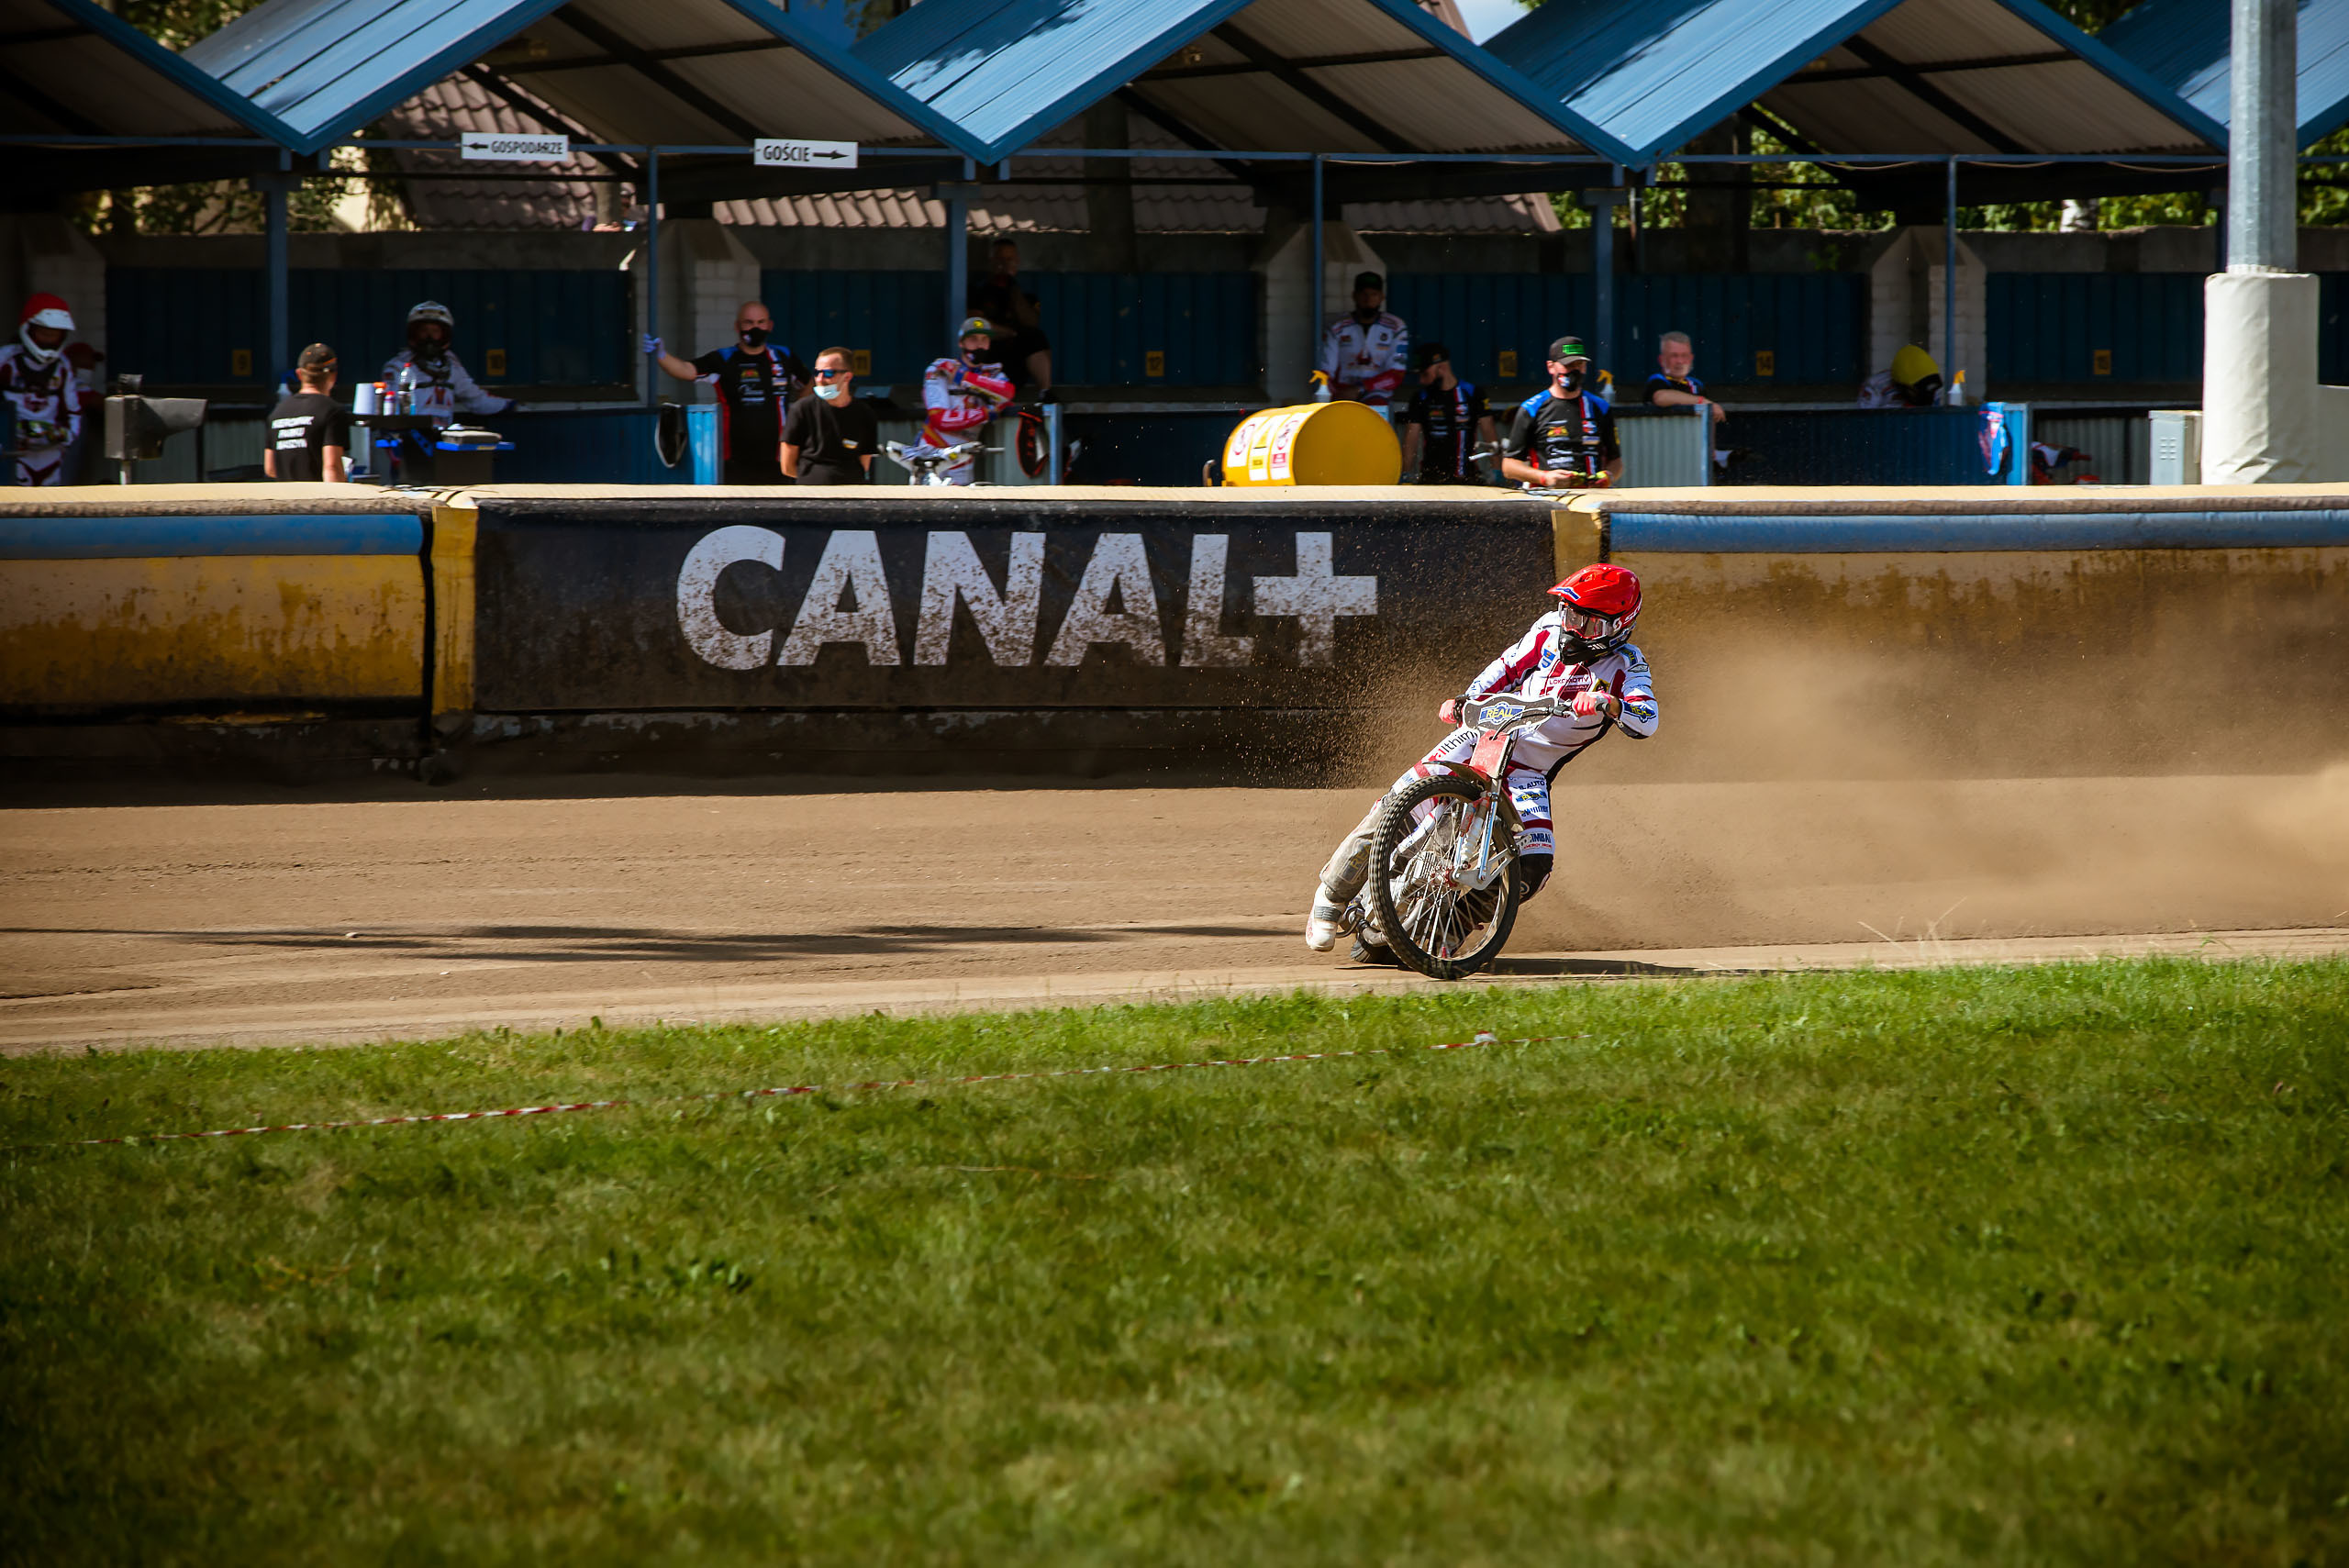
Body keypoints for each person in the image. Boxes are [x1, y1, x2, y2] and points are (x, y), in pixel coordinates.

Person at [1305, 563, 1658, 962]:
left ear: (1620, 627)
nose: (1575, 629)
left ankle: (1435, 932)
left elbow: (1648, 719)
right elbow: (1506, 667)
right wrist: (1466, 700)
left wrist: (1612, 704)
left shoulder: (1628, 665)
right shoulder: (1547, 629)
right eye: (1570, 615)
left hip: (1528, 772)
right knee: (1401, 798)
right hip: (1486, 733)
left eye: (1590, 624)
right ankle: (1332, 894)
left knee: (1534, 866)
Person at [646, 301, 806, 485]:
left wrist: (797, 413)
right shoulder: (723, 358)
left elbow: (809, 383)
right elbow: (687, 370)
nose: (755, 328)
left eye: (761, 322)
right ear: (737, 326)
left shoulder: (784, 356)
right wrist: (662, 356)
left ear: (769, 326)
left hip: (779, 457)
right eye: (749, 322)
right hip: (734, 460)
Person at [1501, 335, 1621, 489]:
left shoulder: (1600, 407)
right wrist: (1544, 477)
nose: (1575, 370)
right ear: (1551, 367)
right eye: (1569, 365)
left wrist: (1609, 477)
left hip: (1593, 498)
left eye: (1580, 364)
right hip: (1547, 497)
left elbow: (1616, 462)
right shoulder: (1531, 408)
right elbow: (1509, 466)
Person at [0, 294, 95, 486]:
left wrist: (63, 436)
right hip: (11, 453)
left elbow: (74, 412)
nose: (50, 339)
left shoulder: (63, 367)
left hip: (52, 456)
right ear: (29, 329)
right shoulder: (5, 359)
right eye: (45, 333)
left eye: (55, 334)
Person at [381, 300, 516, 427]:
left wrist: (507, 404)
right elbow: (389, 408)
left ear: (443, 335)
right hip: (409, 436)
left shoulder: (451, 365)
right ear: (414, 334)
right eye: (424, 331)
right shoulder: (398, 366)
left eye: (435, 332)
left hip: (442, 436)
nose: (429, 337)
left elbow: (475, 398)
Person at [919, 317, 1016, 485]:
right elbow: (940, 419)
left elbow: (1008, 392)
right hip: (931, 453)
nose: (979, 345)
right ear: (961, 343)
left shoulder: (993, 373)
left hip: (963, 459)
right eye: (973, 339)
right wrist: (986, 413)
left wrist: (961, 377)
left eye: (984, 339)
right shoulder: (939, 369)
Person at [965, 239, 1052, 398]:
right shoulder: (977, 292)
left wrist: (1012, 288)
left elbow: (1032, 324)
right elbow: (976, 323)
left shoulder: (1024, 296)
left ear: (1017, 262)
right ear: (991, 262)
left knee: (1036, 337)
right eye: (1000, 259)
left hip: (1015, 362)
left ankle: (1045, 393)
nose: (1004, 264)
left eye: (1009, 259)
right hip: (988, 358)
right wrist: (1009, 332)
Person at [1398, 341, 1495, 484]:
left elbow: (1489, 432)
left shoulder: (1473, 393)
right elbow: (1410, 441)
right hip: (1431, 480)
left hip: (1467, 479)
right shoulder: (1420, 398)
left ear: (1441, 367)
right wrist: (1405, 475)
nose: (1421, 380)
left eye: (1425, 374)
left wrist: (1498, 472)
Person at [781, 345, 878, 485]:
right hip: (810, 494)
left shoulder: (864, 413)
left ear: (847, 377)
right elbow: (787, 466)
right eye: (816, 373)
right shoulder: (801, 409)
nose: (820, 379)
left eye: (828, 374)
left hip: (852, 494)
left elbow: (865, 463)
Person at [1645, 329, 1736, 473]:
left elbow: (1708, 419)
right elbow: (1660, 398)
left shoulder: (1697, 385)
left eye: (1684, 356)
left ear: (1691, 358)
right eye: (1674, 356)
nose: (1680, 361)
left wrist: (1711, 450)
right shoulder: (1657, 381)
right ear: (1661, 359)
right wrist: (1703, 401)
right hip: (1662, 458)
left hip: (1694, 459)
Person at [1317, 270, 1408, 410]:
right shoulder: (1337, 327)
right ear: (1354, 296)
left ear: (1382, 297)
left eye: (1374, 294)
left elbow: (1396, 374)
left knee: (1376, 406)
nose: (1368, 300)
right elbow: (1325, 371)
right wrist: (1335, 394)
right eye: (1363, 294)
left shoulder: (1396, 327)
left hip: (1377, 393)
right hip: (1342, 393)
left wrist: (1361, 388)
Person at [263, 343, 350, 483]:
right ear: (333, 375)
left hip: (284, 501)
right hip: (316, 501)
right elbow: (331, 467)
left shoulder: (277, 413)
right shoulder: (332, 411)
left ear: (299, 374)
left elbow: (270, 468)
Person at [1857, 344, 1943, 408]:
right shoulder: (1876, 385)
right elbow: (1864, 421)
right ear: (1902, 386)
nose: (1927, 393)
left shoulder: (1935, 388)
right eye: (1916, 388)